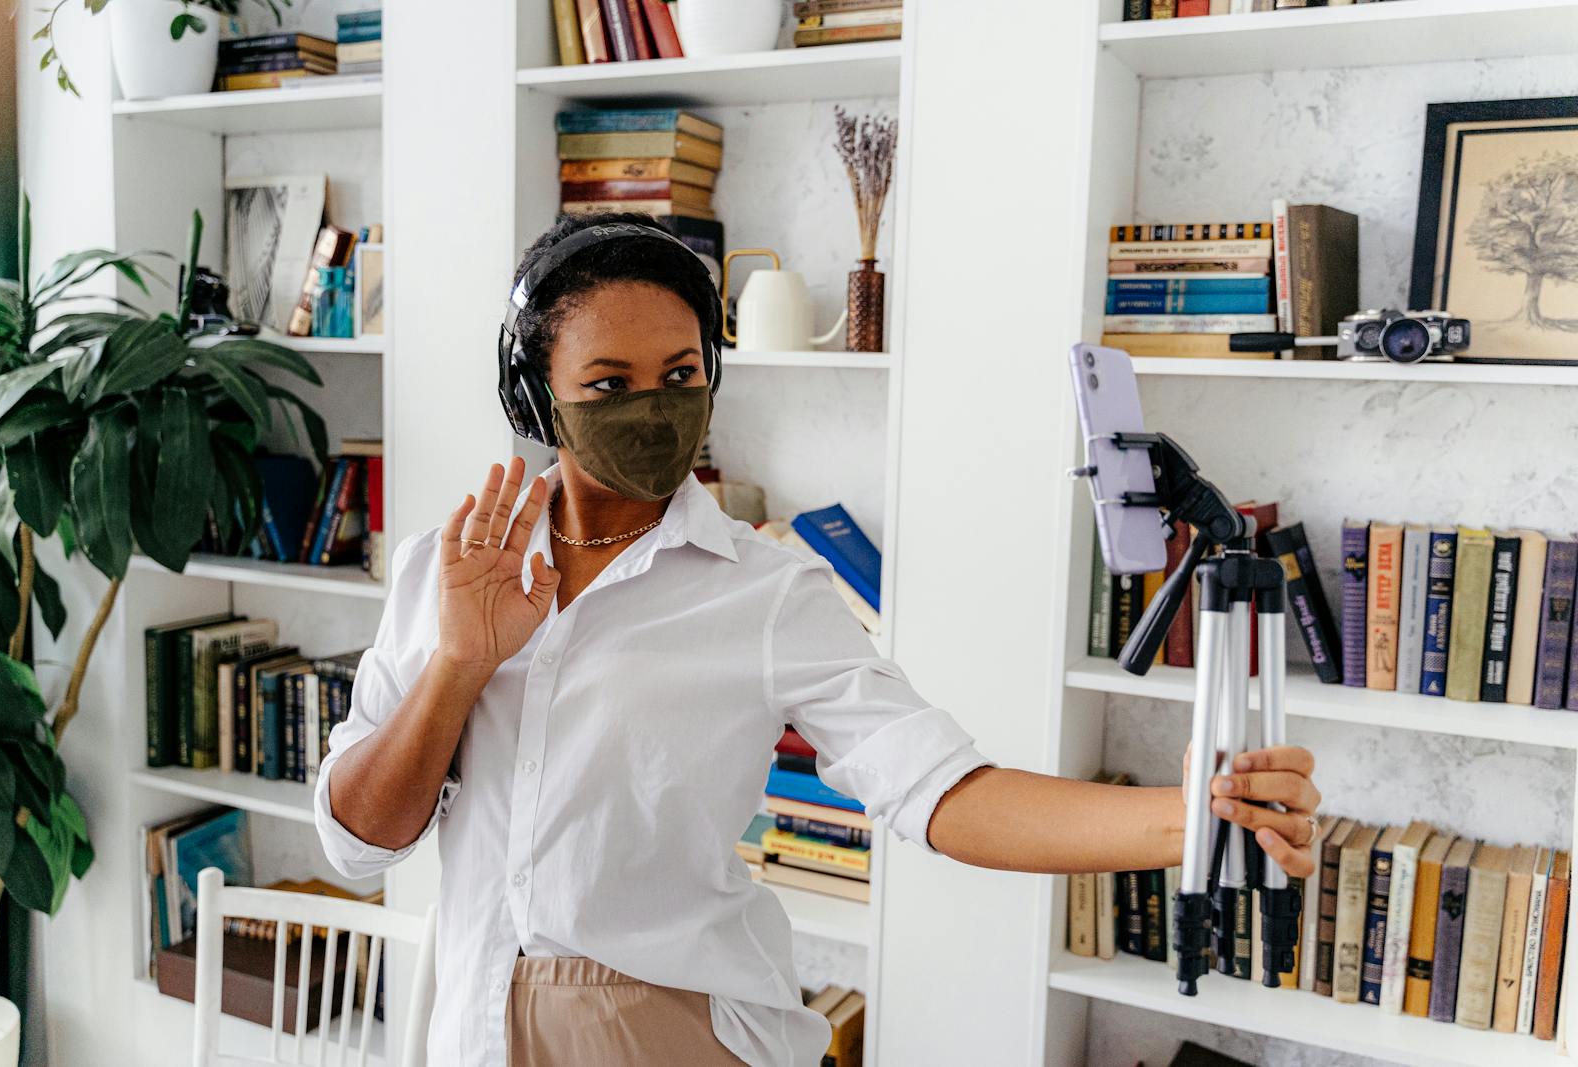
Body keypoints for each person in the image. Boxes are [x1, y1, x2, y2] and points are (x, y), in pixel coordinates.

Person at [314, 213, 1321, 1067]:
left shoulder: (765, 589)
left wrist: (1190, 816)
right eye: (609, 383)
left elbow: (941, 789)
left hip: (669, 1025)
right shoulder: (440, 574)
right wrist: (458, 660)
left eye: (680, 371)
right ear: (535, 396)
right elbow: (357, 845)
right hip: (471, 1024)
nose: (654, 407)